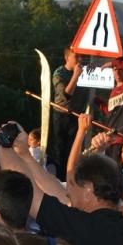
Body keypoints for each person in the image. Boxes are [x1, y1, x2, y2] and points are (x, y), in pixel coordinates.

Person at [51, 48, 81, 176]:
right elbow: (66, 94)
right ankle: (61, 177)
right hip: (61, 115)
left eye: (81, 57)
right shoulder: (59, 73)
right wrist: (75, 75)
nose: (79, 60)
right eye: (76, 57)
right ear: (67, 57)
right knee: (60, 150)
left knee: (73, 149)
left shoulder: (84, 71)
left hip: (76, 115)